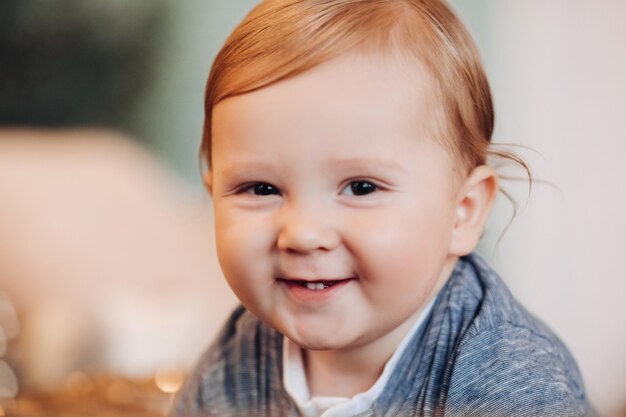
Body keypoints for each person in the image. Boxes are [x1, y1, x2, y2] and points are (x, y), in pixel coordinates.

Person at [172, 0, 593, 415]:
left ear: (462, 211)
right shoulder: (235, 363)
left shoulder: (507, 383)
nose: (302, 233)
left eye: (360, 187)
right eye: (261, 188)